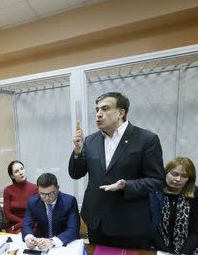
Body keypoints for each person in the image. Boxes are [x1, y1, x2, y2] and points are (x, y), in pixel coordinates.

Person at [68, 92, 165, 249]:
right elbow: (76, 173)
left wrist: (126, 185)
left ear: (121, 112)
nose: (99, 114)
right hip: (96, 221)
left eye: (105, 109)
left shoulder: (146, 139)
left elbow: (157, 181)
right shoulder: (91, 140)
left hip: (128, 223)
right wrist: (78, 151)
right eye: (97, 109)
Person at [150, 157, 198, 255]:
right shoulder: (153, 192)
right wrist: (167, 253)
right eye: (174, 174)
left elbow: (195, 231)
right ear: (165, 173)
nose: (178, 179)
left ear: (190, 179)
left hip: (187, 250)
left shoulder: (195, 194)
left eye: (184, 176)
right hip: (156, 249)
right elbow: (151, 229)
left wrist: (183, 253)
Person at [22, 173, 80, 250]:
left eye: (51, 193)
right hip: (40, 244)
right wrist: (29, 238)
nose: (47, 198)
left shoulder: (69, 202)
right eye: (42, 194)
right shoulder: (33, 201)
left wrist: (52, 241)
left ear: (58, 188)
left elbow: (73, 229)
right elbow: (27, 224)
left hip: (63, 243)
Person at [3, 160, 38, 233]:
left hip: (32, 224)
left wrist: (26, 224)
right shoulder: (7, 190)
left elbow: (37, 212)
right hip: (14, 225)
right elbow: (7, 214)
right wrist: (22, 223)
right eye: (16, 171)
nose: (21, 172)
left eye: (22, 169)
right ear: (12, 176)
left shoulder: (35, 188)